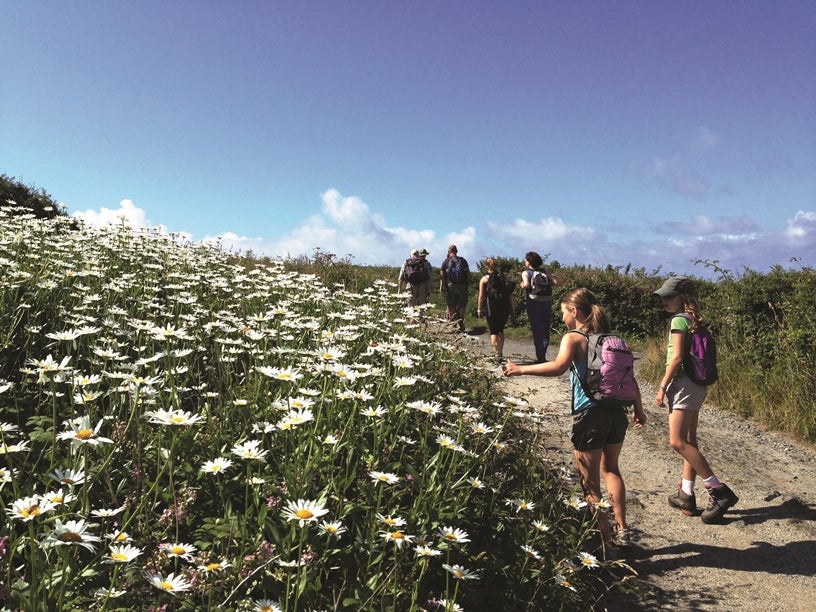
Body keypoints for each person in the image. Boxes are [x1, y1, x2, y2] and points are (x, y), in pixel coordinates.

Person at [503, 288, 646, 552]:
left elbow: (558, 367)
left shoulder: (574, 337)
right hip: (617, 413)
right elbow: (630, 377)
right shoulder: (613, 339)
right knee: (611, 469)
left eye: (563, 313)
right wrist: (639, 408)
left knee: (589, 483)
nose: (562, 319)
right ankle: (622, 529)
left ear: (575, 312)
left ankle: (604, 545)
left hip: (590, 414)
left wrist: (520, 369)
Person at [654, 276, 739, 523]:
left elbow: (677, 358)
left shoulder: (679, 320)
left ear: (683, 297)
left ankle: (718, 491)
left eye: (669, 296)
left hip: (683, 384)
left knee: (677, 441)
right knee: (689, 440)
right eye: (663, 297)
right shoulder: (695, 320)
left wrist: (662, 386)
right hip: (697, 385)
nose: (664, 301)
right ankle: (686, 494)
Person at [520, 251, 557, 363]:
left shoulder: (526, 273)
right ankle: (543, 354)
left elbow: (526, 285)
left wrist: (522, 284)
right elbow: (555, 282)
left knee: (537, 328)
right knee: (545, 328)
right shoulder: (545, 271)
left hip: (533, 301)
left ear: (529, 262)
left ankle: (540, 356)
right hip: (547, 301)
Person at [477, 258, 515, 361]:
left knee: (493, 331)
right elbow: (510, 295)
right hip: (504, 307)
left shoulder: (484, 279)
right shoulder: (503, 277)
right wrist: (513, 309)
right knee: (501, 331)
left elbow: (481, 296)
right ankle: (500, 352)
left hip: (491, 307)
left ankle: (496, 354)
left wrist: (479, 309)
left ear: (486, 267)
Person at [439, 245, 470, 332]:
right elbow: (468, 273)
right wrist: (467, 283)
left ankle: (453, 325)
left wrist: (442, 287)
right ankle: (461, 322)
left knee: (451, 305)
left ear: (449, 251)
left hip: (450, 285)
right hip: (462, 285)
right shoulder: (463, 260)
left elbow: (442, 276)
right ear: (457, 251)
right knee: (462, 304)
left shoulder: (446, 261)